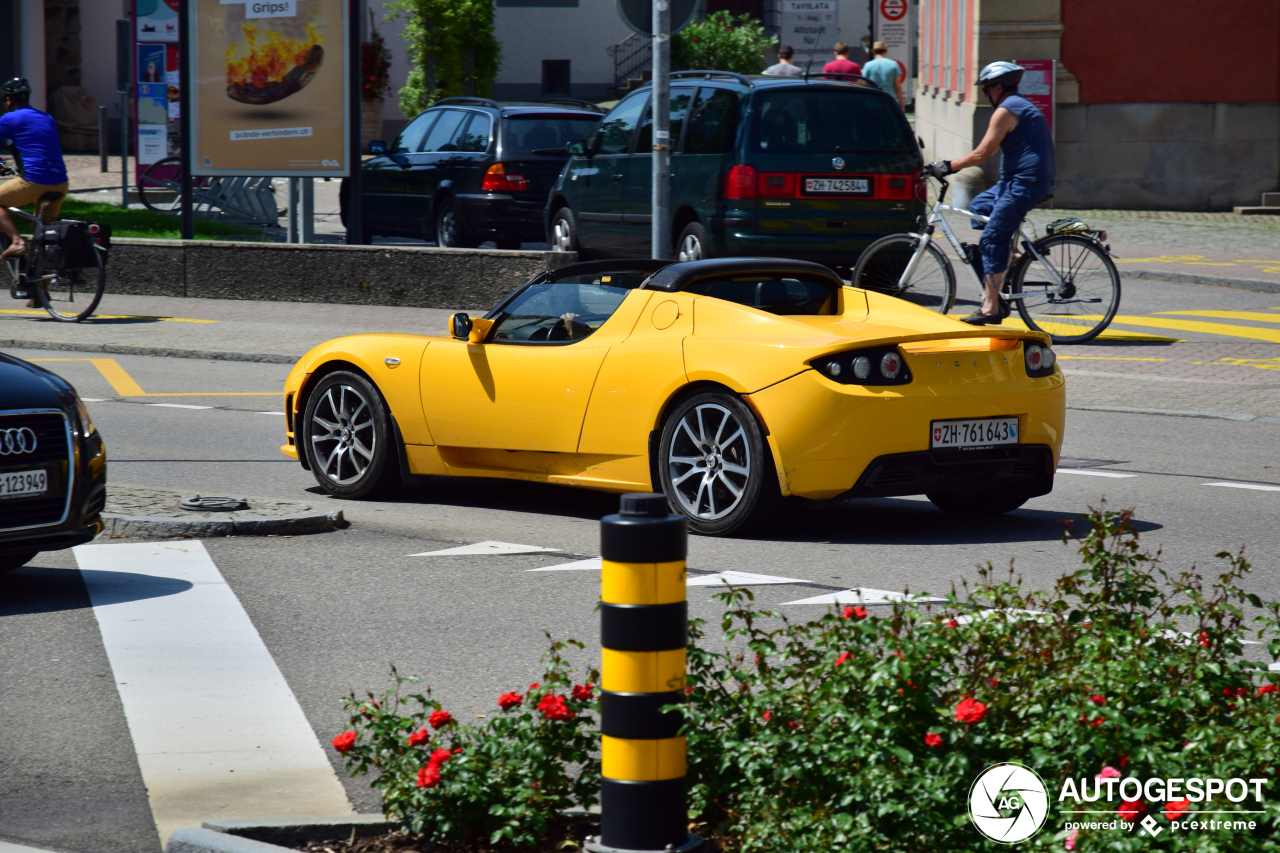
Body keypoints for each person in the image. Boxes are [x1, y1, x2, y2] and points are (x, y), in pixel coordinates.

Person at [923, 61, 1055, 325]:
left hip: (1024, 183)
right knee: (980, 205)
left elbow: (982, 154)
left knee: (991, 241)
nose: (985, 95)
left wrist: (946, 167)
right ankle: (1011, 256)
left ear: (997, 88)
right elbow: (989, 151)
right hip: (1016, 181)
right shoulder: (1018, 105)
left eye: (986, 90)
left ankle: (991, 308)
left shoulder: (1006, 110)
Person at [0, 78, 69, 262]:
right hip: (61, 183)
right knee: (46, 236)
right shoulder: (47, 117)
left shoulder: (10, 118)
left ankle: (16, 241)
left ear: (9, 100)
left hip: (35, 181)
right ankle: (41, 289)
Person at [862, 41, 905, 109]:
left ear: (873, 52)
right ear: (886, 52)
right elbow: (897, 87)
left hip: (871, 102)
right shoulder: (893, 64)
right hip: (888, 101)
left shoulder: (867, 65)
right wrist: (901, 103)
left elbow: (864, 85)